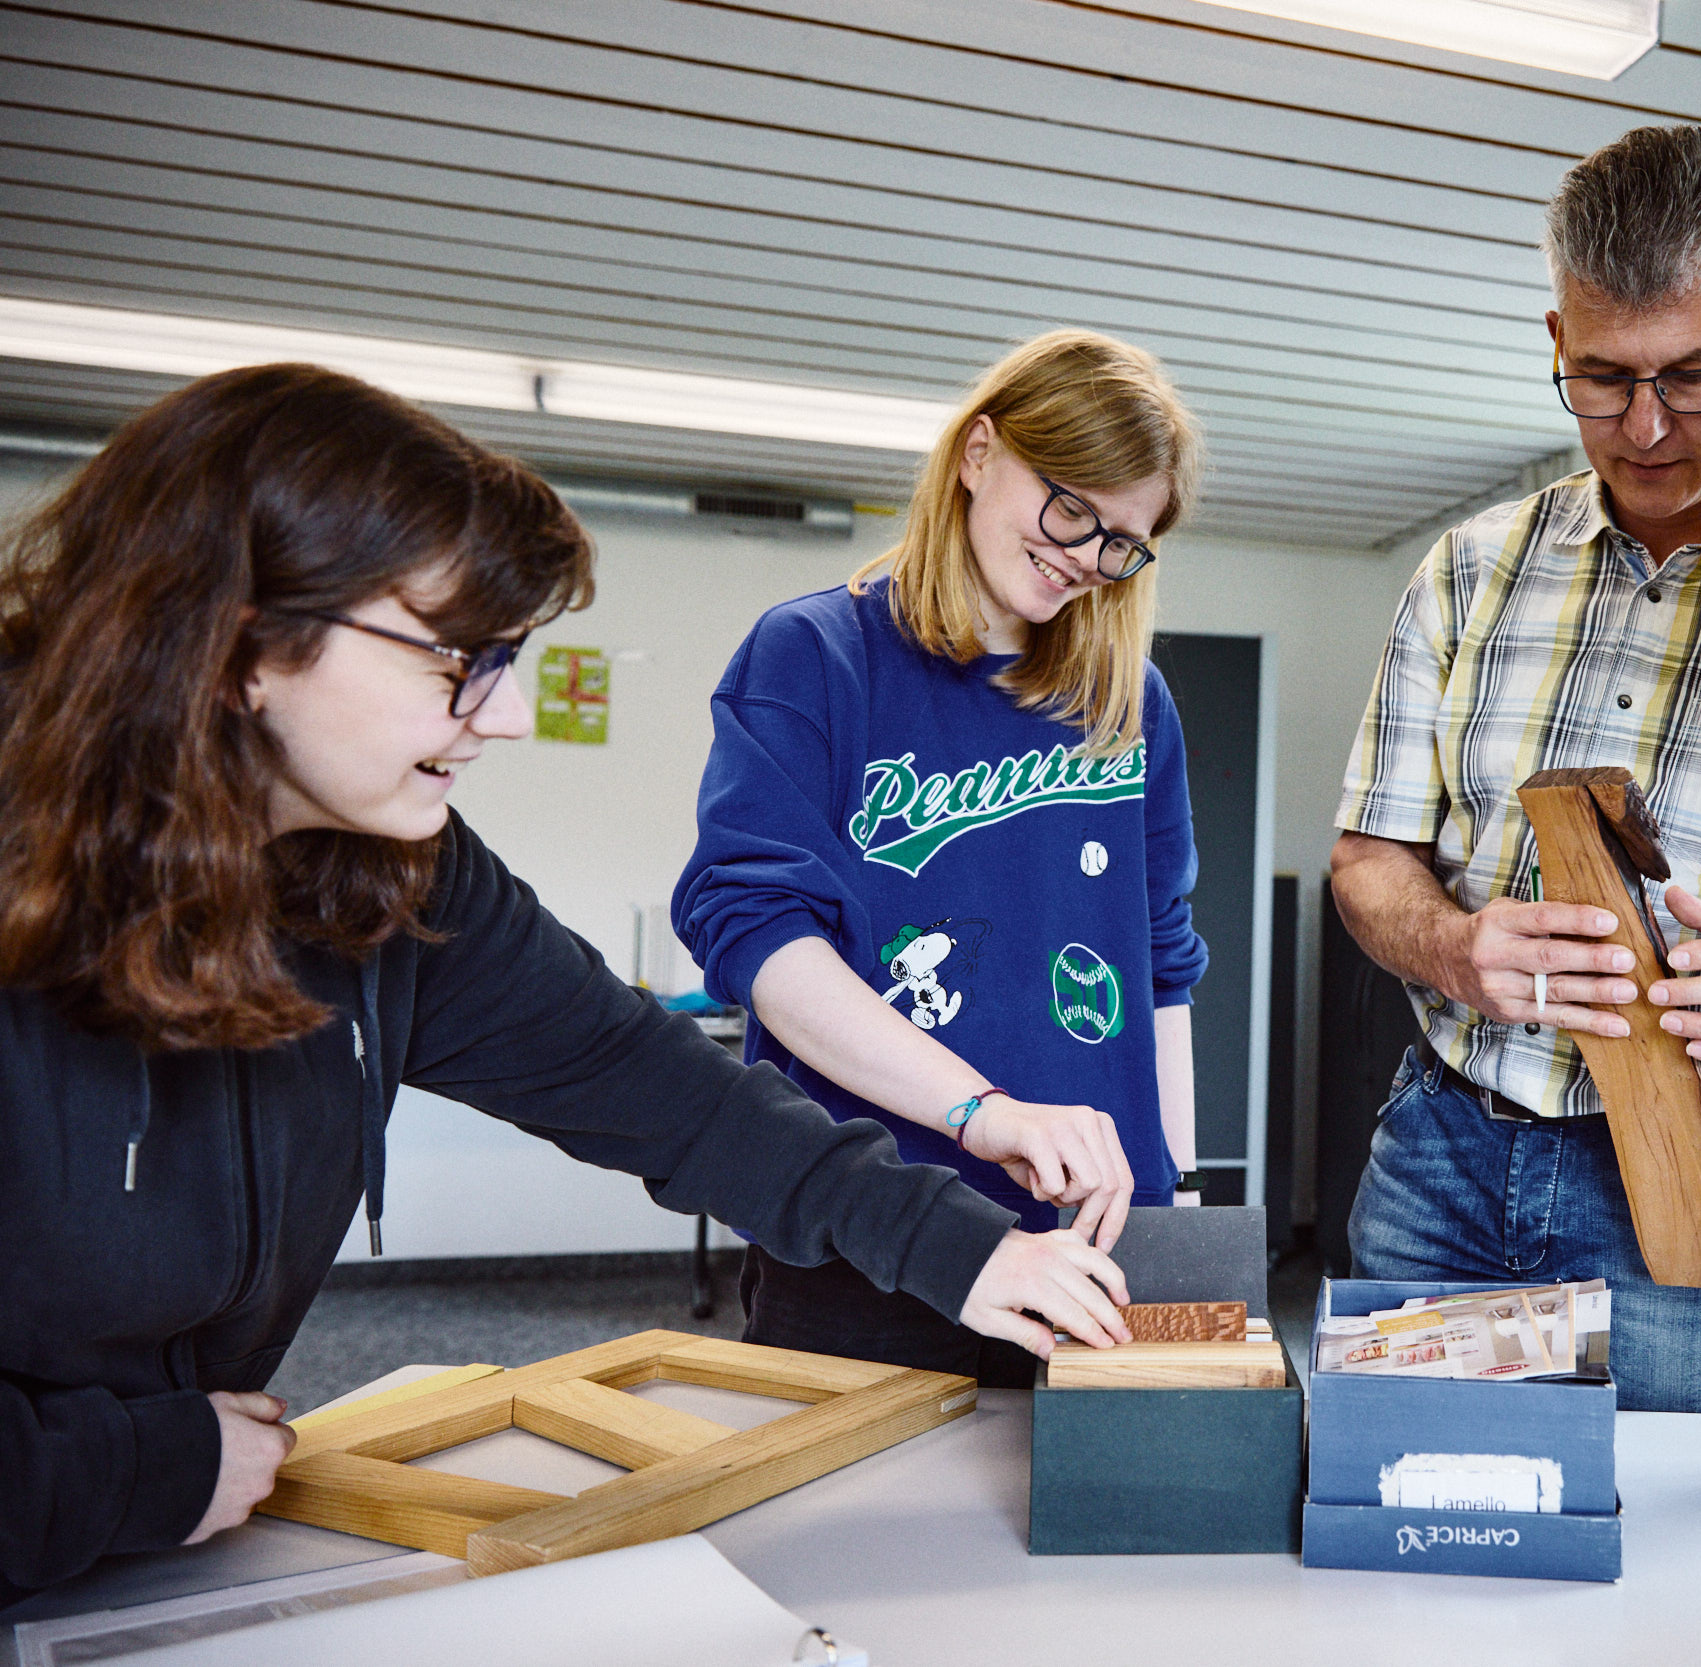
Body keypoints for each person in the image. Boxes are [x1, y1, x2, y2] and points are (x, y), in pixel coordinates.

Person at [0, 363, 1136, 1611]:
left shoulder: (393, 872)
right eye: (462, 659)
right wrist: (131, 1468)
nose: (515, 715)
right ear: (237, 643)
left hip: (139, 1560)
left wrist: (964, 1247)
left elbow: (662, 1090)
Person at [1328, 124, 1701, 1414]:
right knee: (1410, 1529)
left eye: (1693, 377)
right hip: (1444, 1145)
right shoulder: (1466, 569)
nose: (1647, 426)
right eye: (1602, 379)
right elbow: (1369, 860)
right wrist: (1450, 948)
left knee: (1674, 1582)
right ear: (1556, 339)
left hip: (1693, 1169)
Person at [674, 329, 1209, 1388]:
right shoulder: (815, 654)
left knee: (1100, 1541)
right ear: (977, 452)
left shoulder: (1131, 702)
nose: (1085, 556)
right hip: (870, 1227)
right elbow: (761, 938)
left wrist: (1177, 1204)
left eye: (1121, 540)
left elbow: (1162, 967)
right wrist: (984, 1111)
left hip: (1095, 1245)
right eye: (1070, 506)